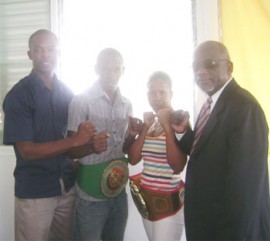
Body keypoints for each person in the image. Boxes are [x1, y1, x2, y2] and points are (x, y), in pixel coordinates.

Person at [2, 29, 96, 241]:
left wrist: (89, 144)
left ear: (58, 53)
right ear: (30, 55)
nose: (45, 55)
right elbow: (27, 150)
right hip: (35, 192)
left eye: (51, 50)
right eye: (39, 50)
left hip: (66, 188)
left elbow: (74, 144)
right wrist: (74, 140)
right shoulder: (18, 95)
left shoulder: (67, 93)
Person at [175, 40, 270, 240]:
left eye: (209, 63)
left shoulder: (244, 108)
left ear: (228, 67)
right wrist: (183, 132)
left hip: (228, 231)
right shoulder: (211, 103)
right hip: (208, 224)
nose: (200, 71)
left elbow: (245, 189)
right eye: (196, 66)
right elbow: (205, 153)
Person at [67, 48, 137, 241]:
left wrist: (132, 135)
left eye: (116, 69)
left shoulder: (127, 104)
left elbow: (123, 149)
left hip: (118, 192)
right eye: (105, 68)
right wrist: (91, 147)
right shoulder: (81, 101)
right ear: (96, 69)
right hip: (90, 195)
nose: (111, 74)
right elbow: (70, 150)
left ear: (124, 70)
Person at [128, 71, 189, 241]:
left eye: (162, 92)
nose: (157, 97)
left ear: (171, 94)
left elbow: (177, 166)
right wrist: (145, 127)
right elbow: (133, 159)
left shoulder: (179, 121)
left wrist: (168, 128)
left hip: (168, 200)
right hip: (146, 197)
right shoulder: (151, 122)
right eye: (152, 93)